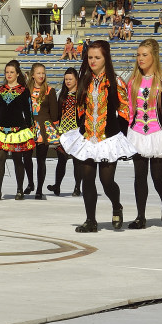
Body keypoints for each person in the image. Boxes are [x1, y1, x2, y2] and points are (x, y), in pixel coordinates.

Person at [59, 40, 134, 233]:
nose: (92, 61)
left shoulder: (116, 82)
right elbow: (80, 108)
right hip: (87, 138)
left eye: (97, 57)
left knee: (106, 181)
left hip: (108, 139)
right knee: (87, 177)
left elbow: (125, 110)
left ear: (106, 58)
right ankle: (90, 220)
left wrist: (121, 136)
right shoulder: (84, 80)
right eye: (90, 57)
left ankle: (116, 205)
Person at [124, 39, 162, 230]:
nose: (140, 58)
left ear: (154, 56)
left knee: (157, 175)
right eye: (138, 55)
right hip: (137, 133)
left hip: (159, 133)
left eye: (144, 55)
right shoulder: (133, 81)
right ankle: (140, 216)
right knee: (139, 176)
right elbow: (131, 111)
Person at [0, 61, 36, 201]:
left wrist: (31, 127)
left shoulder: (24, 90)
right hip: (0, 129)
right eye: (7, 72)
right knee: (0, 158)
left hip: (18, 130)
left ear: (17, 74)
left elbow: (28, 111)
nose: (9, 74)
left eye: (12, 72)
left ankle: (20, 189)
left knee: (17, 159)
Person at [47, 68, 82, 197]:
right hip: (64, 132)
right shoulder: (62, 95)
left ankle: (77, 187)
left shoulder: (81, 95)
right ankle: (57, 185)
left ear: (76, 79)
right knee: (61, 159)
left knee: (77, 161)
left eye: (70, 79)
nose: (67, 81)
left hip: (77, 132)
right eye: (66, 79)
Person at [26, 63, 60, 199]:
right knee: (26, 157)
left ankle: (39, 189)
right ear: (32, 75)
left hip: (44, 129)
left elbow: (55, 113)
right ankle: (30, 183)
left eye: (43, 73)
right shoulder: (26, 90)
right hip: (29, 127)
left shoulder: (50, 91)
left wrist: (51, 126)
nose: (41, 75)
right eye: (38, 73)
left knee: (41, 160)